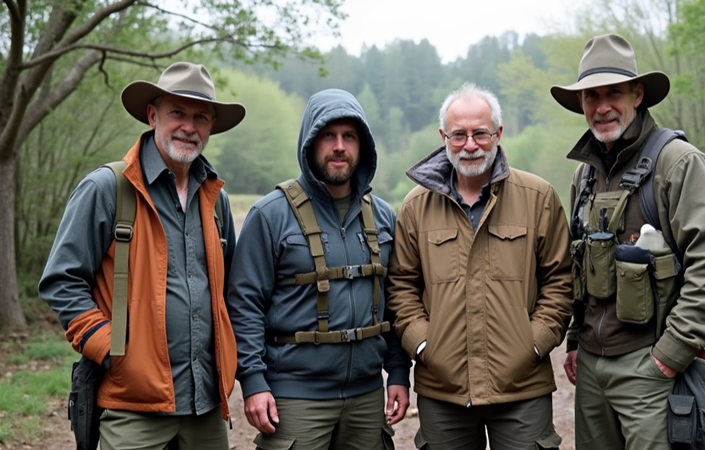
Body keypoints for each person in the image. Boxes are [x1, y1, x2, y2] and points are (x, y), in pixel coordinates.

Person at [550, 33, 705, 449]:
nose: (602, 106)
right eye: (591, 95)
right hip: (591, 370)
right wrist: (575, 340)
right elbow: (579, 267)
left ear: (637, 95)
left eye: (613, 93)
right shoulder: (584, 176)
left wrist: (669, 355)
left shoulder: (678, 163)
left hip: (651, 367)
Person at [39, 62, 244, 450]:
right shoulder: (108, 188)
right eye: (177, 112)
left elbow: (231, 294)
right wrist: (112, 351)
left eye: (200, 117)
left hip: (205, 407)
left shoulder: (216, 200)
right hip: (132, 407)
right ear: (153, 115)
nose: (189, 127)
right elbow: (61, 281)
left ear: (212, 126)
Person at [386, 81, 573, 450]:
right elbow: (401, 286)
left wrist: (533, 344)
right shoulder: (416, 206)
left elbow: (560, 281)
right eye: (459, 135)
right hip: (443, 391)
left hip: (522, 388)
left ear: (498, 134)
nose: (470, 145)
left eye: (480, 133)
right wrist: (424, 346)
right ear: (443, 137)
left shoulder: (539, 198)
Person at [225, 88, 411, 450]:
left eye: (349, 136)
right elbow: (244, 304)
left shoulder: (383, 216)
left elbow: (394, 302)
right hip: (295, 398)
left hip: (367, 397)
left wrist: (399, 373)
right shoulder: (270, 215)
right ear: (310, 143)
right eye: (328, 135)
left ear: (363, 145)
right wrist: (253, 381)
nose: (339, 146)